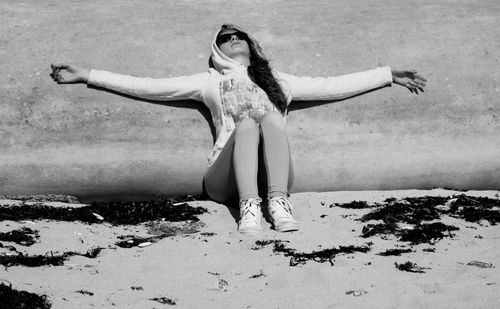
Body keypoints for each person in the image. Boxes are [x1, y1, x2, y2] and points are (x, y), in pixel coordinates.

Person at [50, 24, 427, 235]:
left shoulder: (278, 81)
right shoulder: (210, 82)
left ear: (249, 44)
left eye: (238, 36)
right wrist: (87, 76)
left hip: (276, 176)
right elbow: (150, 85)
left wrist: (387, 75)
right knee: (247, 123)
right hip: (223, 180)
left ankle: (277, 205)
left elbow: (331, 84)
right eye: (226, 38)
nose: (235, 40)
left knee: (271, 118)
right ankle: (249, 208)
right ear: (218, 51)